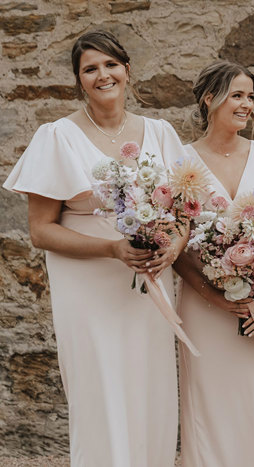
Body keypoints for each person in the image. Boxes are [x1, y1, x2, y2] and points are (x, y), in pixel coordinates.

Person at [3, 31, 188, 466]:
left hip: (148, 282)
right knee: (99, 389)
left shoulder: (160, 133)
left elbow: (185, 210)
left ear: (127, 70)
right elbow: (41, 231)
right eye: (91, 69)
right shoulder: (57, 137)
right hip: (87, 285)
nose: (103, 75)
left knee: (150, 386)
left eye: (110, 65)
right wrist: (112, 249)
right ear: (79, 80)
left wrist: (174, 248)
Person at [173, 61, 254, 467]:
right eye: (237, 95)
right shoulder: (181, 161)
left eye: (250, 97)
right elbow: (178, 248)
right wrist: (217, 298)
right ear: (210, 98)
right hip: (203, 305)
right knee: (207, 404)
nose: (247, 105)